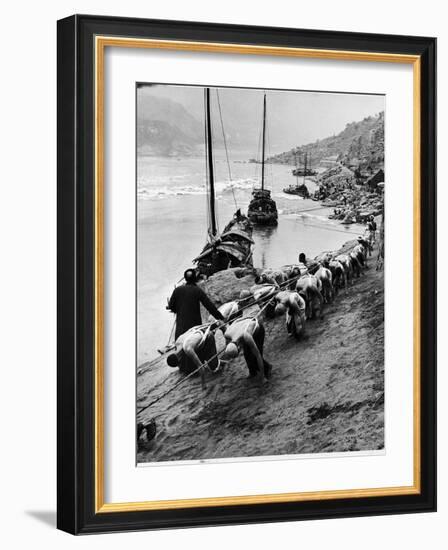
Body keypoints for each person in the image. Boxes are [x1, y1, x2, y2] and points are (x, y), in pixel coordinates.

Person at [168, 268, 224, 340]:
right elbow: (210, 307)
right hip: (194, 330)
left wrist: (178, 309)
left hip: (180, 331)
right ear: (195, 278)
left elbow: (171, 306)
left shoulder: (177, 290)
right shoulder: (197, 290)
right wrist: (221, 318)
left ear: (185, 278)